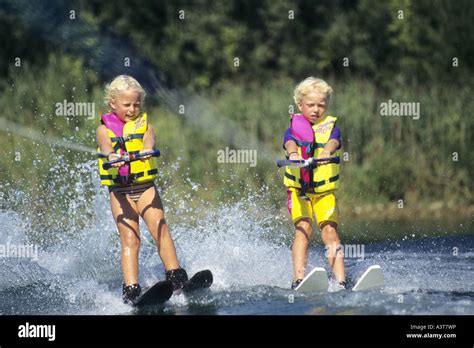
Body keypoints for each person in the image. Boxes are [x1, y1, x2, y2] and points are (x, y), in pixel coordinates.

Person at [96, 75, 188, 304]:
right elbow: (105, 146)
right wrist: (112, 155)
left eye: (136, 104)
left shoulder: (146, 125)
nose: (132, 109)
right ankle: (131, 289)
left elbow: (150, 139)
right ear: (113, 103)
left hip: (145, 188)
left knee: (160, 229)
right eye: (126, 104)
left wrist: (147, 149)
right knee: (130, 239)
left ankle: (175, 275)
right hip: (120, 193)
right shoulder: (103, 129)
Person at [282, 77, 346, 290]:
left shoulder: (331, 127)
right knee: (304, 229)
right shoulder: (293, 127)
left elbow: (334, 141)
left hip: (323, 192)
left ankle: (340, 280)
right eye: (311, 105)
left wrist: (328, 151)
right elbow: (289, 142)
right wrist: (292, 153)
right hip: (299, 191)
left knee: (330, 231)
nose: (316, 110)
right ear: (300, 105)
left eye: (321, 105)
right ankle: (298, 278)